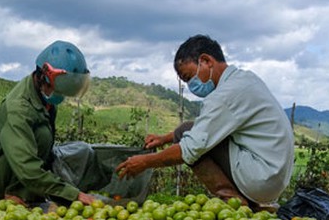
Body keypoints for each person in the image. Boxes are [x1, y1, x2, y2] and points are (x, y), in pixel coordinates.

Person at [115, 34, 294, 209]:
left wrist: (145, 161)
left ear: (206, 61)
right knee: (185, 130)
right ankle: (253, 203)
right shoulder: (244, 80)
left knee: (187, 137)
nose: (191, 85)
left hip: (260, 178)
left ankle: (233, 202)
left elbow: (190, 148)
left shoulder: (225, 96)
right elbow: (209, 126)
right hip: (273, 176)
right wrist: (164, 139)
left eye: (189, 77)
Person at [0, 40, 96, 207]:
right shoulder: (19, 108)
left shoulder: (44, 96)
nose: (60, 95)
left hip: (21, 163)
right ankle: (14, 193)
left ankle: (35, 190)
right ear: (43, 76)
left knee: (80, 150)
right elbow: (25, 163)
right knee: (40, 135)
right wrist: (74, 195)